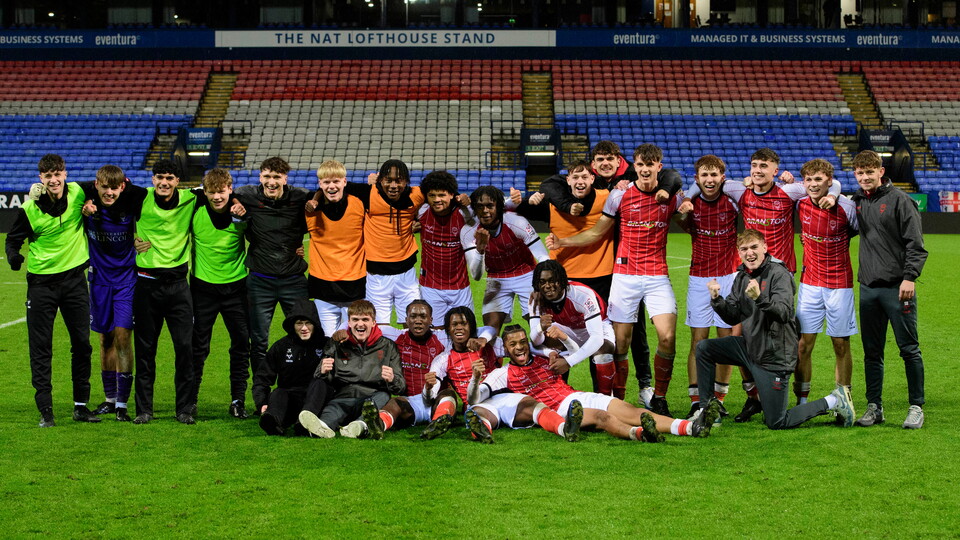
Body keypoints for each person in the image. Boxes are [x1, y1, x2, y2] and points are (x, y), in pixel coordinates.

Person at [680, 147, 840, 422]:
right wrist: (686, 200)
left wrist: (834, 194)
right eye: (754, 165)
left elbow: (829, 181)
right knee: (741, 337)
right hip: (750, 274)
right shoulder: (741, 191)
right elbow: (702, 183)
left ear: (775, 171)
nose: (757, 170)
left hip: (779, 276)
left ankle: (790, 394)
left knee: (782, 338)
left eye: (764, 166)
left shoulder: (789, 192)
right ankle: (750, 396)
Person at [519, 141, 683, 406]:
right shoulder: (573, 193)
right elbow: (548, 186)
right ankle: (560, 390)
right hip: (575, 277)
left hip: (611, 273)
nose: (605, 163)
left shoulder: (619, 191)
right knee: (566, 333)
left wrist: (675, 196)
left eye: (611, 159)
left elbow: (672, 178)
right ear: (592, 167)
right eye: (599, 160)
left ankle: (641, 389)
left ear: (619, 163)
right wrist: (528, 199)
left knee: (632, 335)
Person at [694, 229, 856, 430]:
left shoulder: (779, 274)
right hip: (750, 348)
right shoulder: (742, 275)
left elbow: (784, 313)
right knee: (704, 348)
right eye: (744, 249)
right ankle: (708, 411)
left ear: (765, 247)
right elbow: (733, 316)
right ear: (739, 252)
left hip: (774, 355)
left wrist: (759, 298)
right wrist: (717, 300)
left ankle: (834, 400)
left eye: (754, 247)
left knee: (777, 421)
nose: (749, 253)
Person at [471, 325, 720, 441]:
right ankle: (642, 435)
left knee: (630, 409)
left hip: (574, 395)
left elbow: (575, 352)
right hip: (557, 411)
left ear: (528, 342)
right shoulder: (502, 373)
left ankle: (690, 427)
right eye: (513, 344)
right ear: (505, 348)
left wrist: (564, 338)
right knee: (602, 418)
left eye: (522, 342)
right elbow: (475, 399)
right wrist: (475, 379)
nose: (519, 348)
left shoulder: (544, 357)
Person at [5, 154, 99, 427]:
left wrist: (92, 206)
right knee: (41, 348)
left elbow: (113, 185)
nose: (54, 179)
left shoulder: (80, 191)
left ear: (65, 174)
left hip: (74, 282)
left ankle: (81, 406)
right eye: (48, 176)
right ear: (41, 179)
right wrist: (14, 256)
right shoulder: (29, 209)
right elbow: (13, 240)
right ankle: (46, 409)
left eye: (57, 174)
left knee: (82, 344)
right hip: (41, 286)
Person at [421, 306, 581, 443]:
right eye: (454, 324)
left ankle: (565, 429)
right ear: (448, 329)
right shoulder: (443, 360)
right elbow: (429, 397)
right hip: (476, 401)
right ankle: (482, 433)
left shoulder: (489, 346)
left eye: (464, 323)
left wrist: (549, 352)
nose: (459, 328)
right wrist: (428, 388)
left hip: (503, 397)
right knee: (477, 415)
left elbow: (523, 348)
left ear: (472, 327)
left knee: (532, 405)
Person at [850, 150, 928, 429]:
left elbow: (916, 246)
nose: (865, 177)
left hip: (898, 288)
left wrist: (909, 278)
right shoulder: (858, 200)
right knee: (872, 352)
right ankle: (875, 407)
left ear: (881, 171)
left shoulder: (901, 201)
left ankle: (916, 407)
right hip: (869, 289)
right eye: (860, 173)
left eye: (870, 172)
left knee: (909, 349)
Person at [130, 159, 198, 425]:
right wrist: (128, 240)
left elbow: (224, 192)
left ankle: (183, 409)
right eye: (159, 177)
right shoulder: (139, 197)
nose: (164, 182)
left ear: (178, 181)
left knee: (184, 349)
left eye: (169, 178)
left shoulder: (192, 199)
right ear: (152, 179)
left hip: (179, 287)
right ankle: (144, 410)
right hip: (147, 285)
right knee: (145, 350)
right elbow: (106, 197)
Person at [233, 157, 311, 380]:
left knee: (303, 335)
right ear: (260, 177)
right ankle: (261, 392)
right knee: (258, 340)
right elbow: (218, 193)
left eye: (277, 177)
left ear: (285, 179)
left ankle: (299, 387)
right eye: (267, 176)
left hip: (294, 280)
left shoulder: (300, 197)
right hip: (260, 282)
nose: (271, 181)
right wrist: (233, 204)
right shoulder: (246, 195)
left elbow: (323, 199)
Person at [676, 156, 740, 419]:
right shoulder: (690, 205)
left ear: (722, 177)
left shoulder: (734, 203)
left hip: (729, 276)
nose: (709, 180)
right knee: (698, 340)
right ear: (697, 178)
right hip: (699, 278)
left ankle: (719, 397)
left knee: (726, 341)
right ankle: (697, 399)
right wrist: (683, 207)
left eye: (714, 175)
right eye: (704, 175)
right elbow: (680, 222)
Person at [795, 159, 859, 406]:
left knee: (840, 344)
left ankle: (844, 400)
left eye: (818, 179)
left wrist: (834, 194)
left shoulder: (846, 206)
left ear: (829, 181)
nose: (813, 184)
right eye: (809, 180)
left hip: (839, 284)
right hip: (809, 284)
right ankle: (801, 402)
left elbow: (857, 230)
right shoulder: (799, 202)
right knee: (803, 345)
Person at [189, 168, 251, 419]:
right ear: (205, 192)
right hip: (202, 289)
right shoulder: (194, 208)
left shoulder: (243, 209)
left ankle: (238, 401)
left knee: (240, 346)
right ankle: (189, 401)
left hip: (237, 288)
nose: (217, 196)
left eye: (221, 191)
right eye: (211, 192)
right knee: (198, 347)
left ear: (230, 189)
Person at [82, 165, 143, 422]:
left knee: (122, 338)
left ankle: (122, 403)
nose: (109, 192)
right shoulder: (84, 206)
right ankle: (108, 399)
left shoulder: (131, 204)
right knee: (105, 340)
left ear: (122, 186)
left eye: (114, 188)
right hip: (98, 281)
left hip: (126, 281)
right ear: (96, 185)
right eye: (104, 187)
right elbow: (61, 190)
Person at [298, 300, 404, 438]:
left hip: (372, 399)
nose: (360, 324)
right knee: (329, 416)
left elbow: (400, 387)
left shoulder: (388, 346)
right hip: (342, 397)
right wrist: (323, 371)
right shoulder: (337, 344)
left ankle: (360, 426)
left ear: (374, 322)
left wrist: (392, 379)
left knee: (383, 396)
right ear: (348, 322)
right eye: (355, 319)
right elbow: (321, 378)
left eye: (365, 319)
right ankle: (321, 428)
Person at [462, 186, 549, 336]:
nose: (485, 211)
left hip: (527, 274)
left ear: (499, 207)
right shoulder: (468, 231)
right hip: (496, 278)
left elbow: (543, 257)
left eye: (490, 205)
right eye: (480, 206)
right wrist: (480, 249)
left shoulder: (516, 222)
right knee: (490, 331)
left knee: (540, 329)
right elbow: (476, 276)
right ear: (474, 209)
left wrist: (539, 286)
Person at [358, 300, 450, 439]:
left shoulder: (443, 337)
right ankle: (378, 426)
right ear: (406, 320)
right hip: (411, 403)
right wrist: (343, 331)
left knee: (449, 394)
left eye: (423, 316)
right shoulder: (396, 336)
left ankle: (437, 423)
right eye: (413, 316)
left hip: (436, 399)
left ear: (431, 320)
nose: (418, 321)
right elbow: (365, 326)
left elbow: (471, 330)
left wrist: (480, 339)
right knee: (395, 403)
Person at [347, 159, 423, 327]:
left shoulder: (416, 194)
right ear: (380, 180)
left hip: (407, 274)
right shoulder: (367, 193)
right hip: (376, 276)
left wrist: (419, 220)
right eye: (388, 180)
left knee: (413, 325)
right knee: (379, 327)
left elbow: (440, 191)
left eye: (399, 180)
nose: (394, 185)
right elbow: (336, 185)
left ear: (407, 181)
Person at [528, 260, 617, 394]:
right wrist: (540, 327)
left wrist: (569, 361)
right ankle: (559, 395)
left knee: (602, 353)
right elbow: (535, 342)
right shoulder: (536, 299)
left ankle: (605, 399)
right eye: (542, 282)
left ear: (562, 280)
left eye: (553, 281)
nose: (548, 286)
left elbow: (597, 338)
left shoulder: (582, 295)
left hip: (597, 327)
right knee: (547, 348)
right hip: (567, 328)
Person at [304, 160, 366, 337]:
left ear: (345, 182)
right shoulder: (308, 207)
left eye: (336, 181)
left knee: (355, 340)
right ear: (320, 184)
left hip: (355, 286)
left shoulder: (360, 202)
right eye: (326, 182)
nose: (331, 186)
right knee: (327, 341)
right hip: (323, 287)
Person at [253, 299, 328, 436]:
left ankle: (305, 423)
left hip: (315, 400)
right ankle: (272, 422)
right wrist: (261, 403)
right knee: (279, 392)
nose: (304, 328)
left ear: (315, 324)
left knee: (319, 383)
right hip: (290, 400)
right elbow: (262, 377)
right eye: (299, 323)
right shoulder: (281, 347)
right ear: (292, 325)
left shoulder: (326, 345)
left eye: (308, 323)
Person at [417, 170, 474, 328]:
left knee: (464, 328)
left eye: (442, 195)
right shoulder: (421, 212)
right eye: (432, 195)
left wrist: (467, 202)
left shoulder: (464, 214)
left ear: (451, 194)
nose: (437, 200)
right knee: (436, 331)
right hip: (430, 286)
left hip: (460, 286)